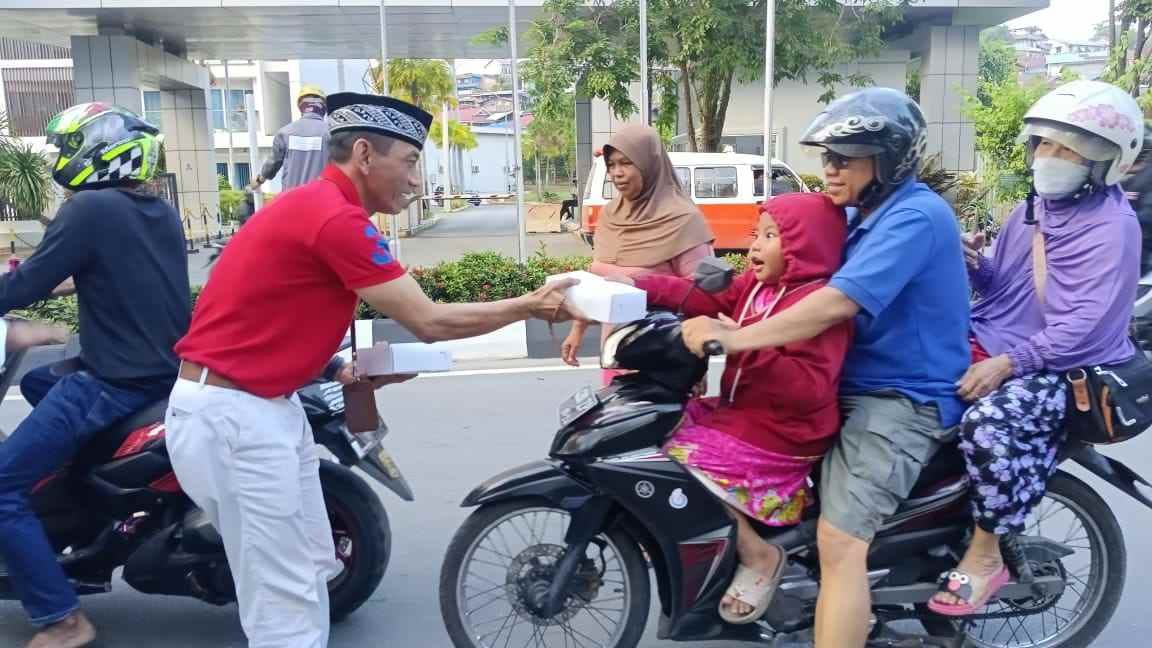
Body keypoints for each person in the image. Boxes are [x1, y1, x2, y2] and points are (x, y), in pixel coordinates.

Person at [164, 92, 580, 648]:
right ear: (364, 153)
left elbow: (265, 317)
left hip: (258, 409)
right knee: (283, 601)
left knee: (312, 566)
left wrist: (336, 370)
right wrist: (529, 305)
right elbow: (429, 320)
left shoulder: (312, 207)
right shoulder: (334, 218)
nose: (414, 181)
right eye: (408, 162)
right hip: (238, 419)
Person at [679, 88, 970, 647]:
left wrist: (736, 341)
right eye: (827, 157)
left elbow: (836, 303)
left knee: (840, 544)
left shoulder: (915, 215)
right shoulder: (861, 215)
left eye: (846, 158)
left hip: (899, 398)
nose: (830, 170)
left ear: (890, 160)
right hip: (845, 383)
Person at [929, 81, 1144, 615]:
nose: (1050, 157)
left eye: (1068, 149)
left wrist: (1010, 363)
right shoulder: (1032, 210)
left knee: (989, 425)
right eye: (1045, 144)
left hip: (1068, 368)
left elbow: (1085, 325)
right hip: (997, 339)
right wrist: (970, 261)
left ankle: (984, 554)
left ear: (1106, 160)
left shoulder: (1114, 227)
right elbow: (1003, 284)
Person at [0, 102, 191, 648]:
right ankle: (76, 498)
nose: (62, 158)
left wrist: (20, 292)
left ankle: (62, 619)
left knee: (2, 487)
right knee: (38, 383)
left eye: (67, 147)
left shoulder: (91, 210)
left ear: (98, 150)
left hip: (113, 384)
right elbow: (105, 271)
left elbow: (22, 286)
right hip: (160, 371)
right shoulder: (157, 211)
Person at [621, 192, 850, 623]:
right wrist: (636, 285)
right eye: (755, 234)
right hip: (742, 411)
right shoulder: (759, 287)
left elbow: (809, 389)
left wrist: (742, 339)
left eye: (771, 236)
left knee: (678, 464)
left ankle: (758, 554)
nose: (755, 246)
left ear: (806, 245)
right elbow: (703, 300)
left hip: (784, 432)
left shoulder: (819, 307)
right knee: (649, 438)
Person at [561, 124, 714, 381]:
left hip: (667, 359)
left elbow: (702, 296)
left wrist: (698, 366)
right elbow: (599, 283)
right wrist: (578, 329)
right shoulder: (611, 215)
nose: (617, 173)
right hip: (616, 351)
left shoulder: (683, 219)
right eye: (611, 165)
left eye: (626, 163)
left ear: (650, 163)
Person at [252, 85, 330, 192]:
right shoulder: (332, 133)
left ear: (300, 106)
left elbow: (273, 163)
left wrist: (259, 180)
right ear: (323, 107)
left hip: (290, 199)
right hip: (322, 198)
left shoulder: (284, 133)